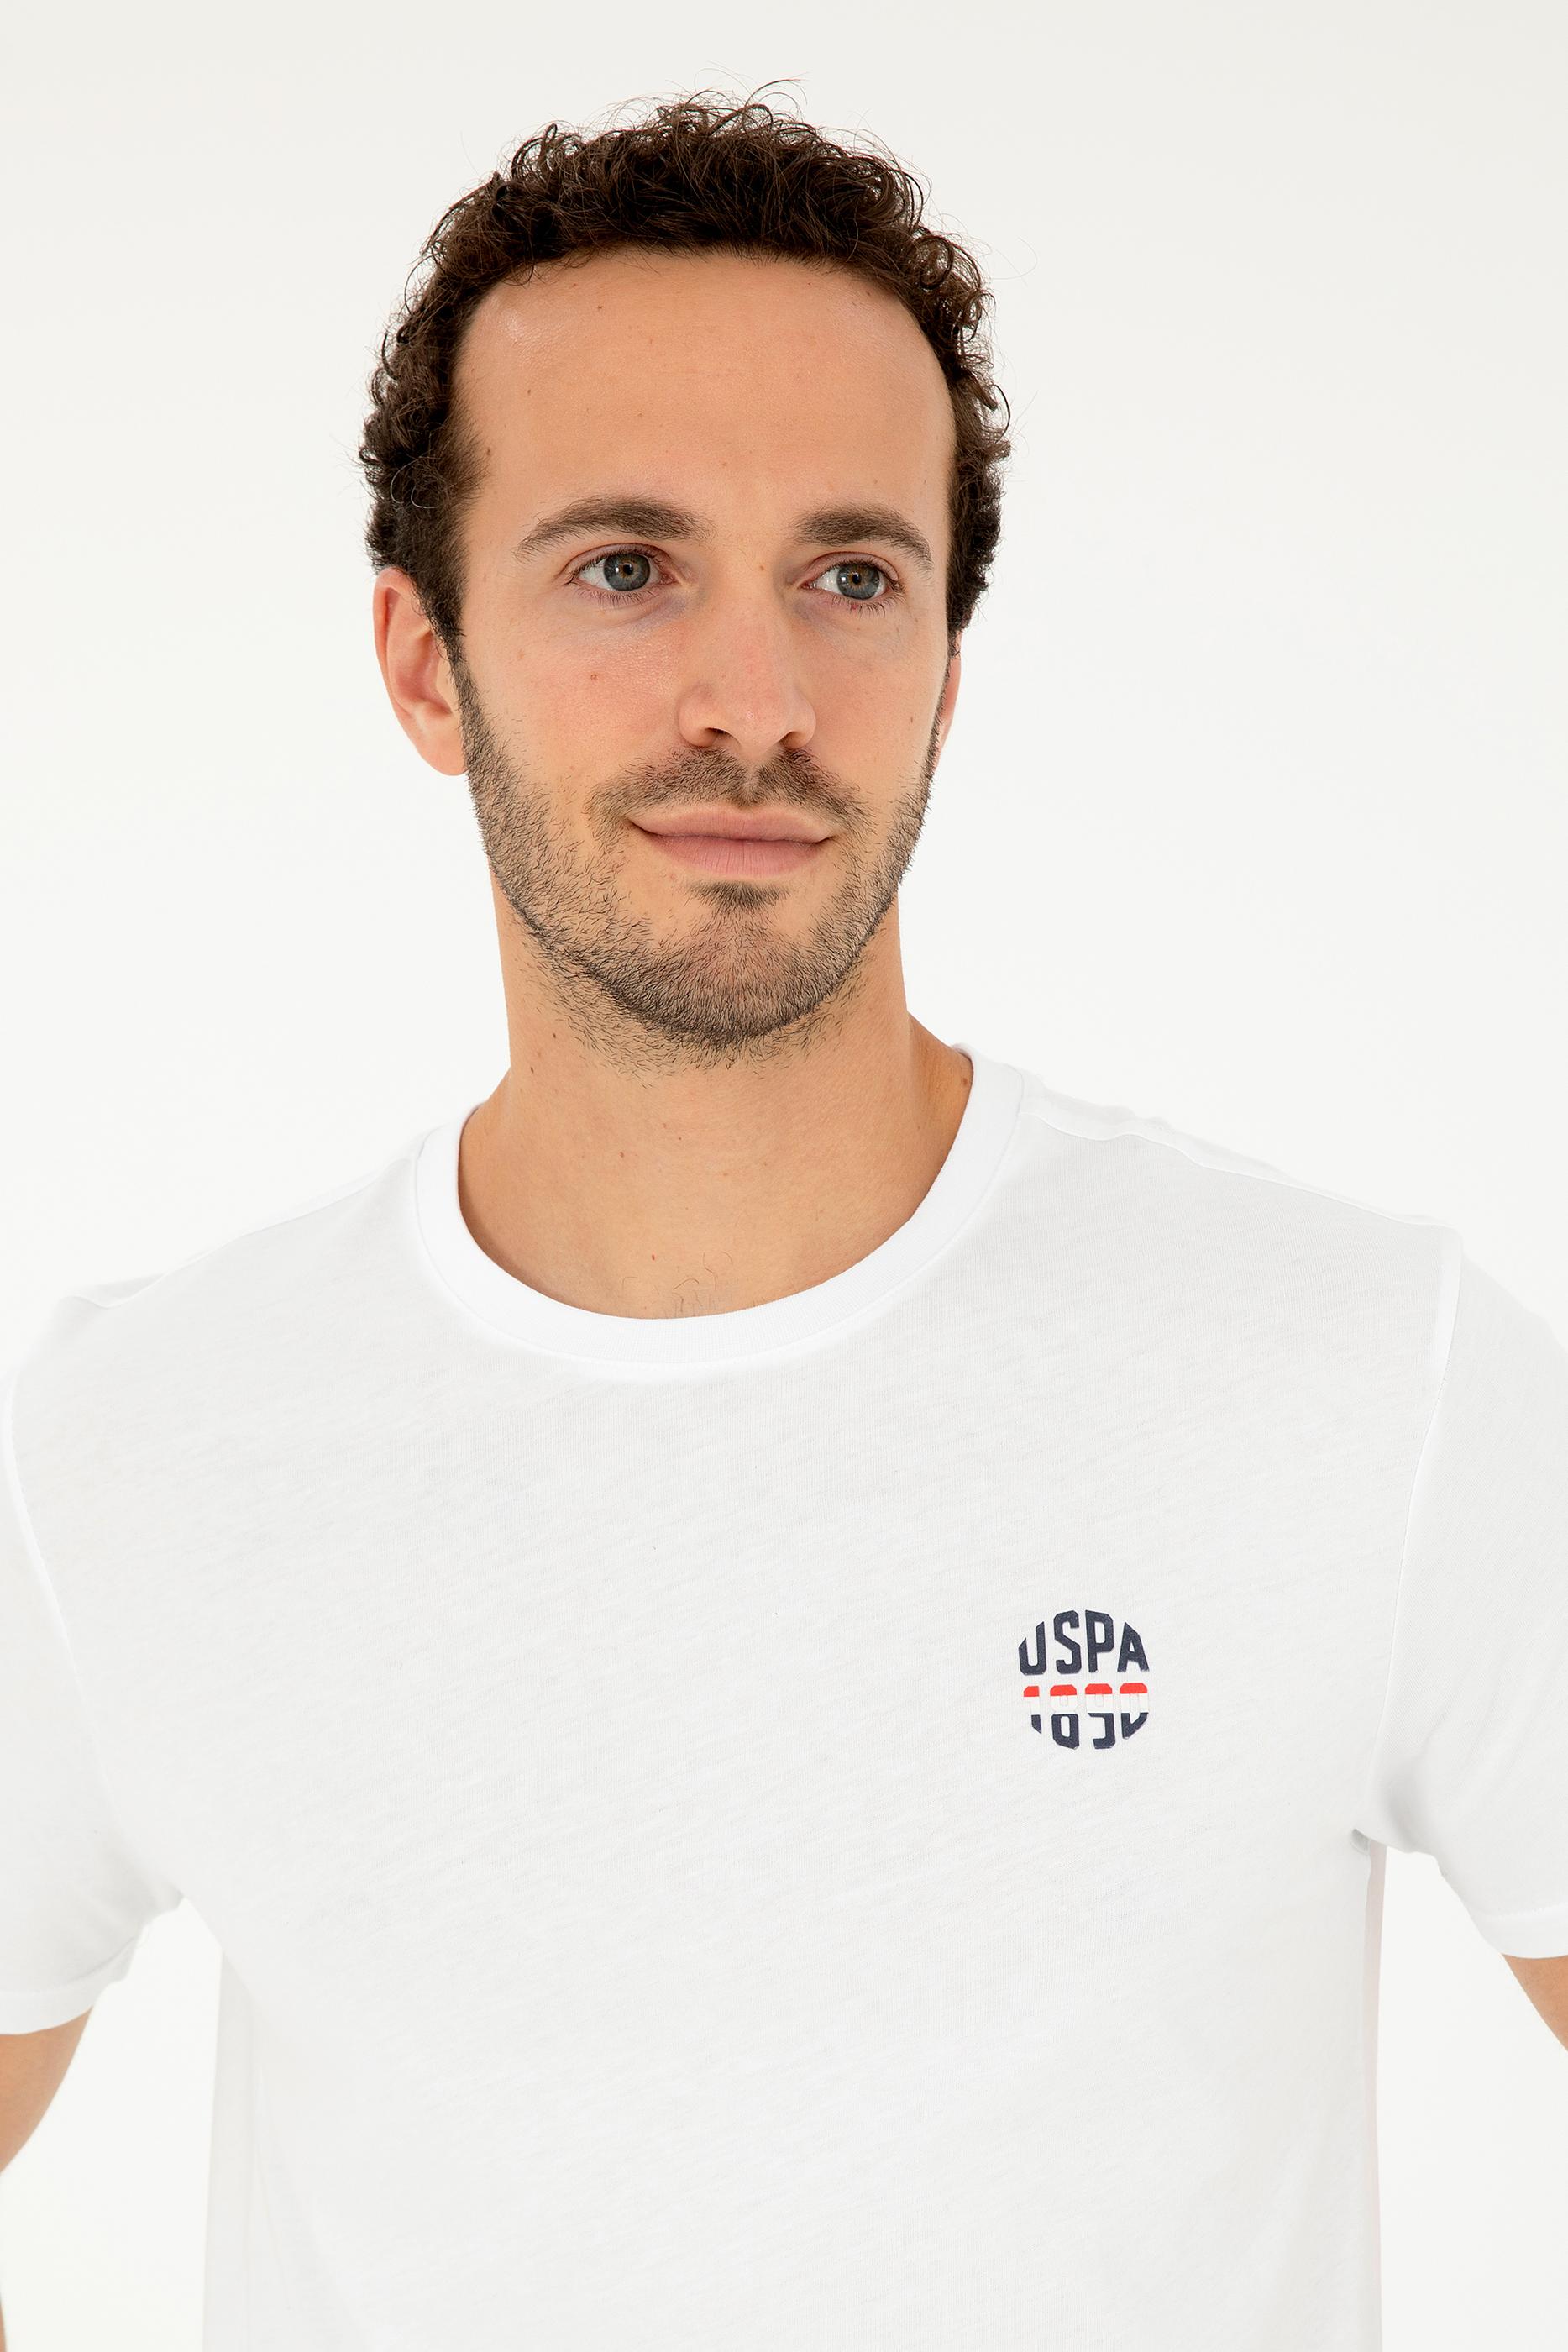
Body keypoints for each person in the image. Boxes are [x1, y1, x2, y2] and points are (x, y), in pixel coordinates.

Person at [1, 89, 1564, 2352]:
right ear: (426, 662)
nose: (756, 708)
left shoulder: (1365, 1383)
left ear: (945, 666)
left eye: (851, 577)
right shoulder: (134, 1451)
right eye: (623, 569)